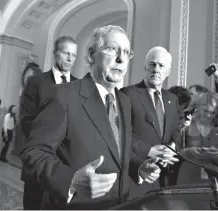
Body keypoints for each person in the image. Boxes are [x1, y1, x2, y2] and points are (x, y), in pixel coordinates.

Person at [20, 25, 161, 210]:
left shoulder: (124, 101)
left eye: (126, 52)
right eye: (112, 49)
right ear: (91, 55)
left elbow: (117, 150)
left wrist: (138, 167)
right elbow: (34, 153)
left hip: (119, 204)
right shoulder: (63, 95)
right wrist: (71, 180)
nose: (120, 58)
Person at [19, 36, 78, 210]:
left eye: (73, 55)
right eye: (66, 53)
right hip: (39, 166)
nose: (70, 59)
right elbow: (25, 122)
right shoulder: (36, 82)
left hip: (66, 168)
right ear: (55, 53)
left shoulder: (79, 85)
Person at [121, 46, 180, 198]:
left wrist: (172, 148)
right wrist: (149, 150)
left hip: (163, 180)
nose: (156, 69)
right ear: (145, 67)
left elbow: (176, 132)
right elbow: (119, 135)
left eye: (161, 66)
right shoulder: (128, 94)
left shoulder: (172, 99)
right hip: (135, 175)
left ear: (167, 71)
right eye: (152, 64)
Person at [176, 92, 218, 184]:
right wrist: (189, 152)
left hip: (212, 180)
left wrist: (216, 156)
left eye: (213, 113)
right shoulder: (187, 124)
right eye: (205, 111)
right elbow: (174, 153)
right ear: (199, 107)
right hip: (187, 176)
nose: (209, 115)